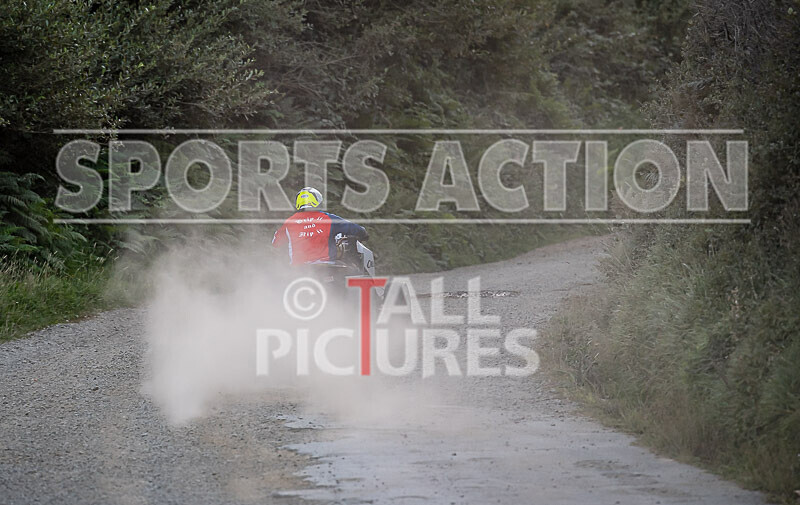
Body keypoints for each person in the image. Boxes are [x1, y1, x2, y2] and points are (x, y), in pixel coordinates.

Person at [272, 187, 368, 265]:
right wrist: (363, 233)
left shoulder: (289, 222)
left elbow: (275, 243)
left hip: (298, 271)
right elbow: (354, 228)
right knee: (349, 271)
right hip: (326, 267)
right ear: (317, 201)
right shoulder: (328, 218)